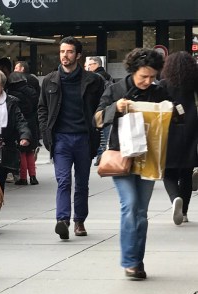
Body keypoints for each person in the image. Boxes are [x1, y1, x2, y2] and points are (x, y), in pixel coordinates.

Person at [96, 48, 168, 280]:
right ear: (133, 71)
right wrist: (114, 108)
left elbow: (177, 114)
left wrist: (173, 111)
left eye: (152, 77)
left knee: (141, 213)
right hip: (122, 156)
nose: (148, 81)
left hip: (149, 158)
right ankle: (129, 261)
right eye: (143, 77)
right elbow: (96, 119)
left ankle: (137, 261)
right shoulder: (116, 89)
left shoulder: (159, 91)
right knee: (130, 204)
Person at [37, 36, 106, 240]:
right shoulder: (50, 80)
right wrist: (45, 132)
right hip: (60, 139)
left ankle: (79, 221)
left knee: (82, 183)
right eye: (62, 52)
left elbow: (100, 108)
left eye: (69, 52)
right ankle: (63, 220)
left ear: (78, 55)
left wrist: (98, 132)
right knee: (64, 180)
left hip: (84, 138)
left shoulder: (93, 81)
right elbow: (42, 108)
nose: (64, 56)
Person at [0, 69, 33, 234]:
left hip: (5, 147)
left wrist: (25, 136)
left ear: (2, 85)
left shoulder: (11, 101)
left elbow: (20, 121)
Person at [158, 52, 198, 226]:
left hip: (169, 133)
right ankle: (185, 211)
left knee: (169, 173)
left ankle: (175, 199)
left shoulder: (163, 85)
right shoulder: (195, 85)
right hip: (191, 132)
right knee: (187, 173)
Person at [8, 60, 42, 185]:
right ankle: (33, 176)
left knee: (21, 151)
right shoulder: (32, 90)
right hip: (32, 121)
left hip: (20, 124)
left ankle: (23, 177)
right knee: (30, 151)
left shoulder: (11, 93)